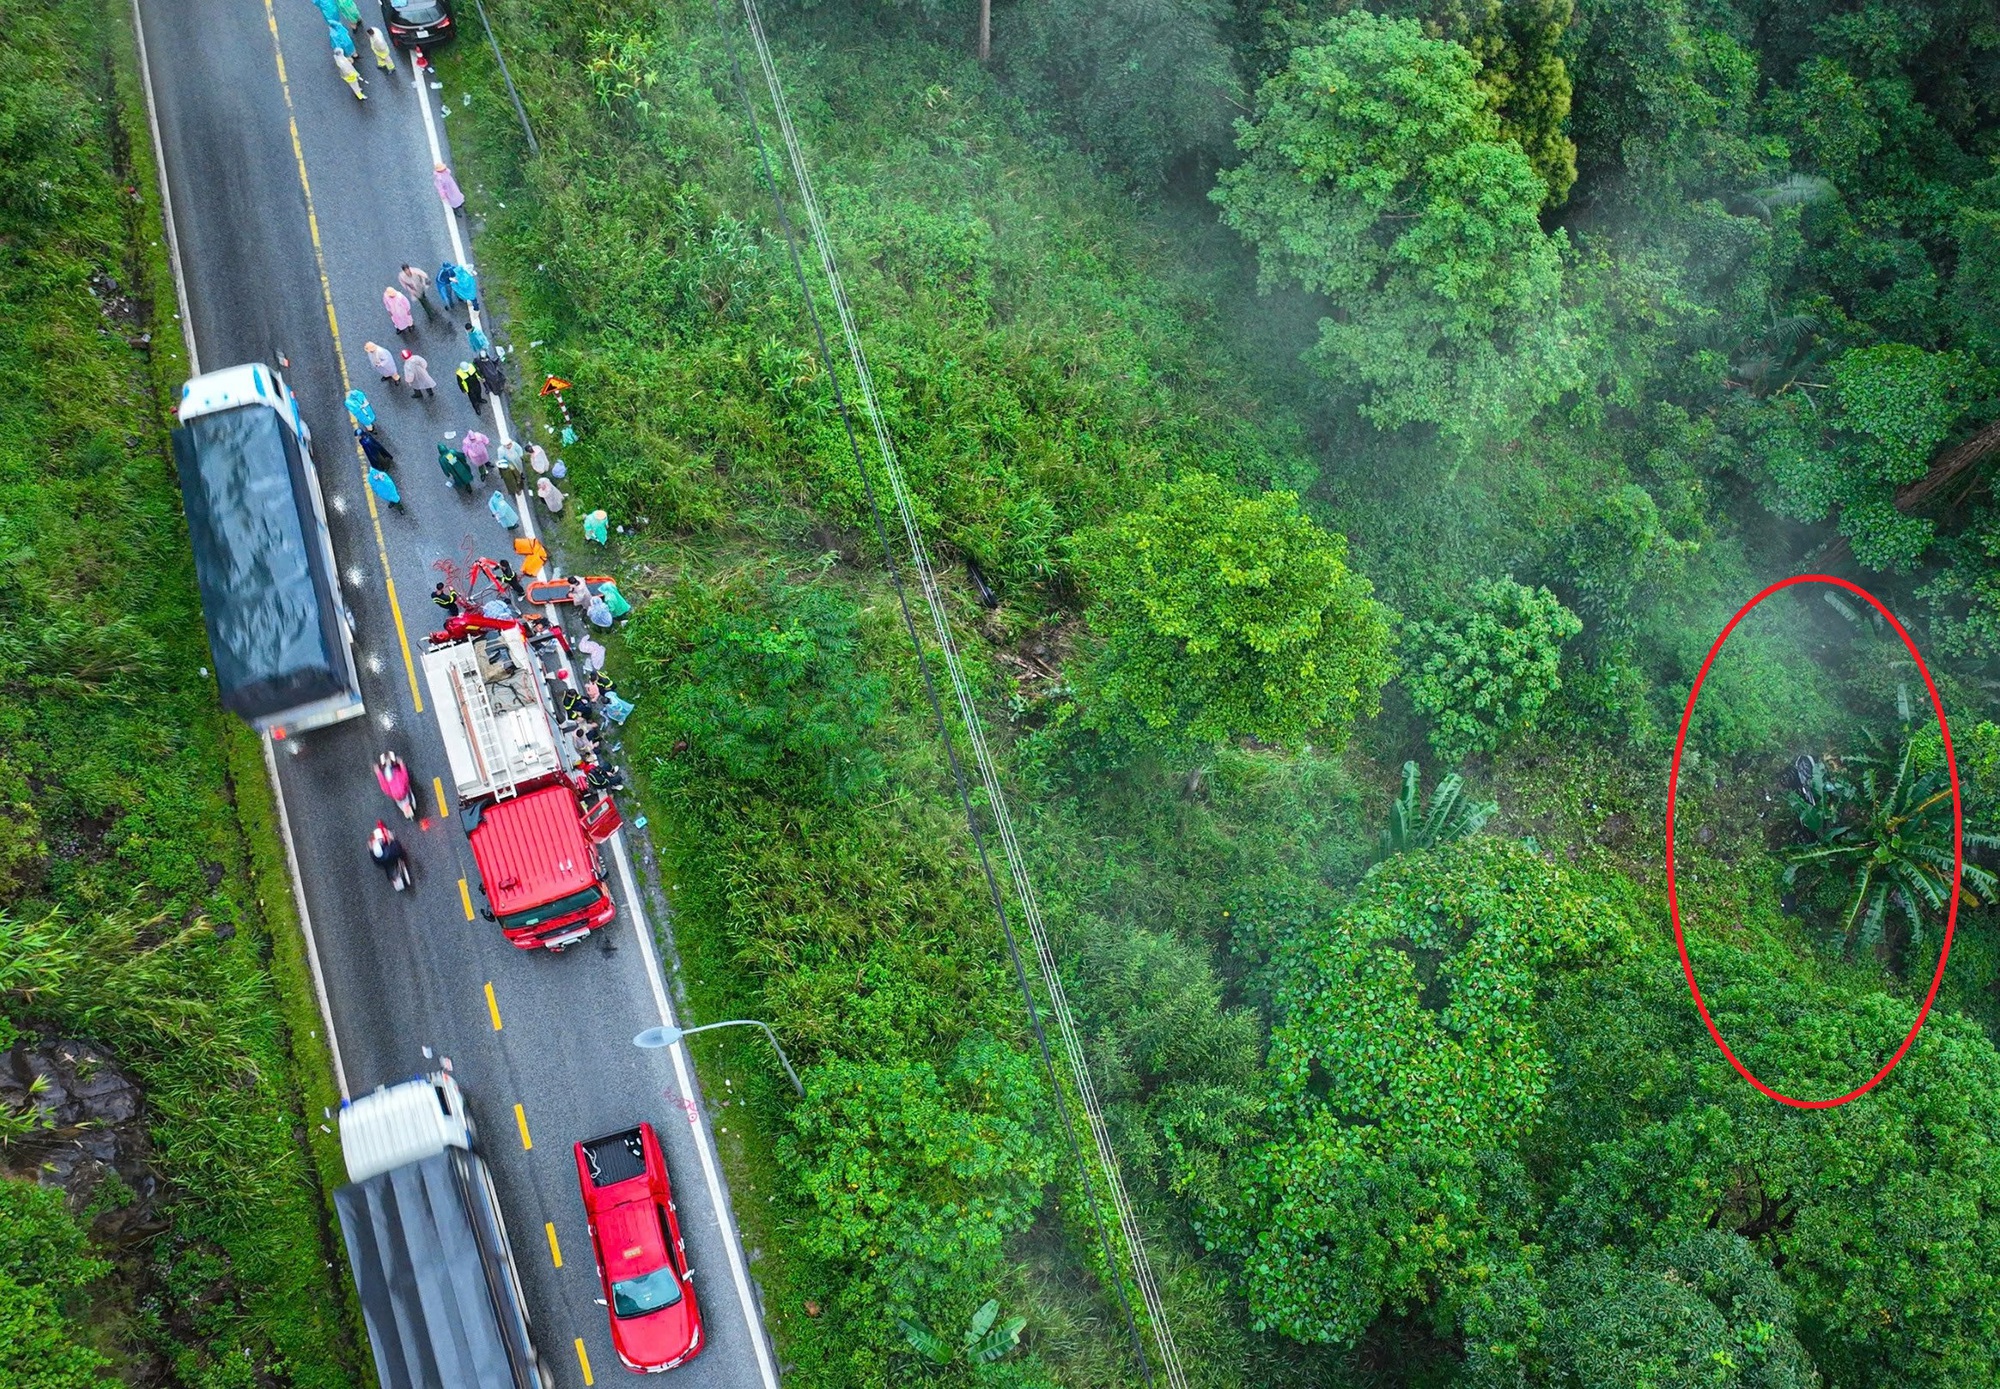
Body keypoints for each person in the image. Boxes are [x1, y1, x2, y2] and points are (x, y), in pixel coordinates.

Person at [369, 821, 411, 891]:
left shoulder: (375, 856)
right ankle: (400, 864)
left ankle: (395, 877)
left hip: (384, 862)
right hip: (393, 855)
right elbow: (396, 845)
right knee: (397, 847)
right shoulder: (388, 849)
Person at [376, 751, 416, 819]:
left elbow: (385, 786)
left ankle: (388, 763)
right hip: (396, 778)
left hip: (396, 779)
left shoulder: (404, 795)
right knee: (388, 771)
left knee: (388, 771)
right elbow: (385, 787)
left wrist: (378, 773)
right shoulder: (402, 795)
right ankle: (389, 763)